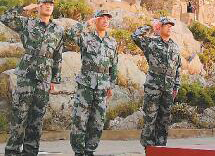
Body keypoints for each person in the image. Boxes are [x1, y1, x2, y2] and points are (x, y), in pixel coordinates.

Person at [0, 0, 64, 156]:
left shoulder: (58, 30)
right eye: (45, 3)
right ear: (39, 6)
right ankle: (12, 151)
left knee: (37, 119)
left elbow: (58, 55)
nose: (48, 6)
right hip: (26, 75)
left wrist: (54, 80)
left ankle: (30, 152)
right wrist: (24, 8)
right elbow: (4, 18)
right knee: (19, 116)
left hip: (44, 79)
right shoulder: (27, 23)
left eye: (51, 4)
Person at [64, 10, 119, 156]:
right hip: (86, 86)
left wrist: (111, 85)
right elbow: (70, 35)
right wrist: (85, 24)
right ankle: (78, 152)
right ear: (96, 20)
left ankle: (89, 151)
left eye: (108, 18)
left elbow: (114, 65)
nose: (105, 20)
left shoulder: (112, 42)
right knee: (80, 120)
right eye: (102, 18)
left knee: (97, 122)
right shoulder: (86, 37)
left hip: (102, 87)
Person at [131, 16, 181, 150]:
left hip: (168, 90)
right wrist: (150, 26)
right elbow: (135, 36)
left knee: (164, 120)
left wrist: (176, 87)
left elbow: (177, 68)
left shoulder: (175, 47)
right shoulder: (151, 43)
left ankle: (160, 148)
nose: (170, 27)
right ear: (160, 27)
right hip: (153, 88)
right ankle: (148, 148)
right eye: (167, 25)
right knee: (150, 119)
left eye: (171, 25)